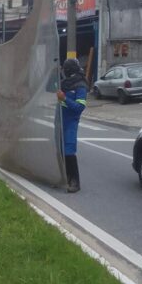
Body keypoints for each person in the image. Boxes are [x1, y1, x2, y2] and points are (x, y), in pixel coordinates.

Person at [57, 58, 88, 193]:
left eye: (65, 69)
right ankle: (65, 179)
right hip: (60, 120)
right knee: (60, 151)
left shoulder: (80, 86)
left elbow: (79, 107)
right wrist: (54, 74)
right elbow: (48, 87)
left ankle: (75, 182)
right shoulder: (65, 83)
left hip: (71, 121)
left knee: (69, 151)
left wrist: (64, 98)